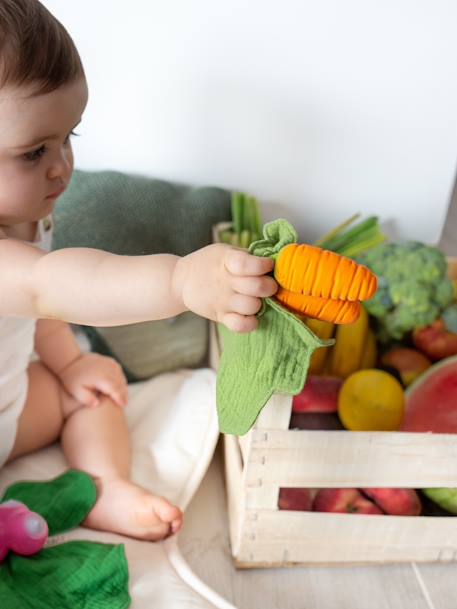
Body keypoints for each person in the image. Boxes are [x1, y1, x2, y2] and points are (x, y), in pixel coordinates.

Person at [0, 0, 277, 540]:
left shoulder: (26, 215)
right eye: (33, 152)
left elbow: (42, 313)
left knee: (96, 394)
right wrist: (180, 281)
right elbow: (56, 285)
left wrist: (72, 364)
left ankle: (101, 485)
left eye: (68, 138)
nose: (61, 166)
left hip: (11, 404)